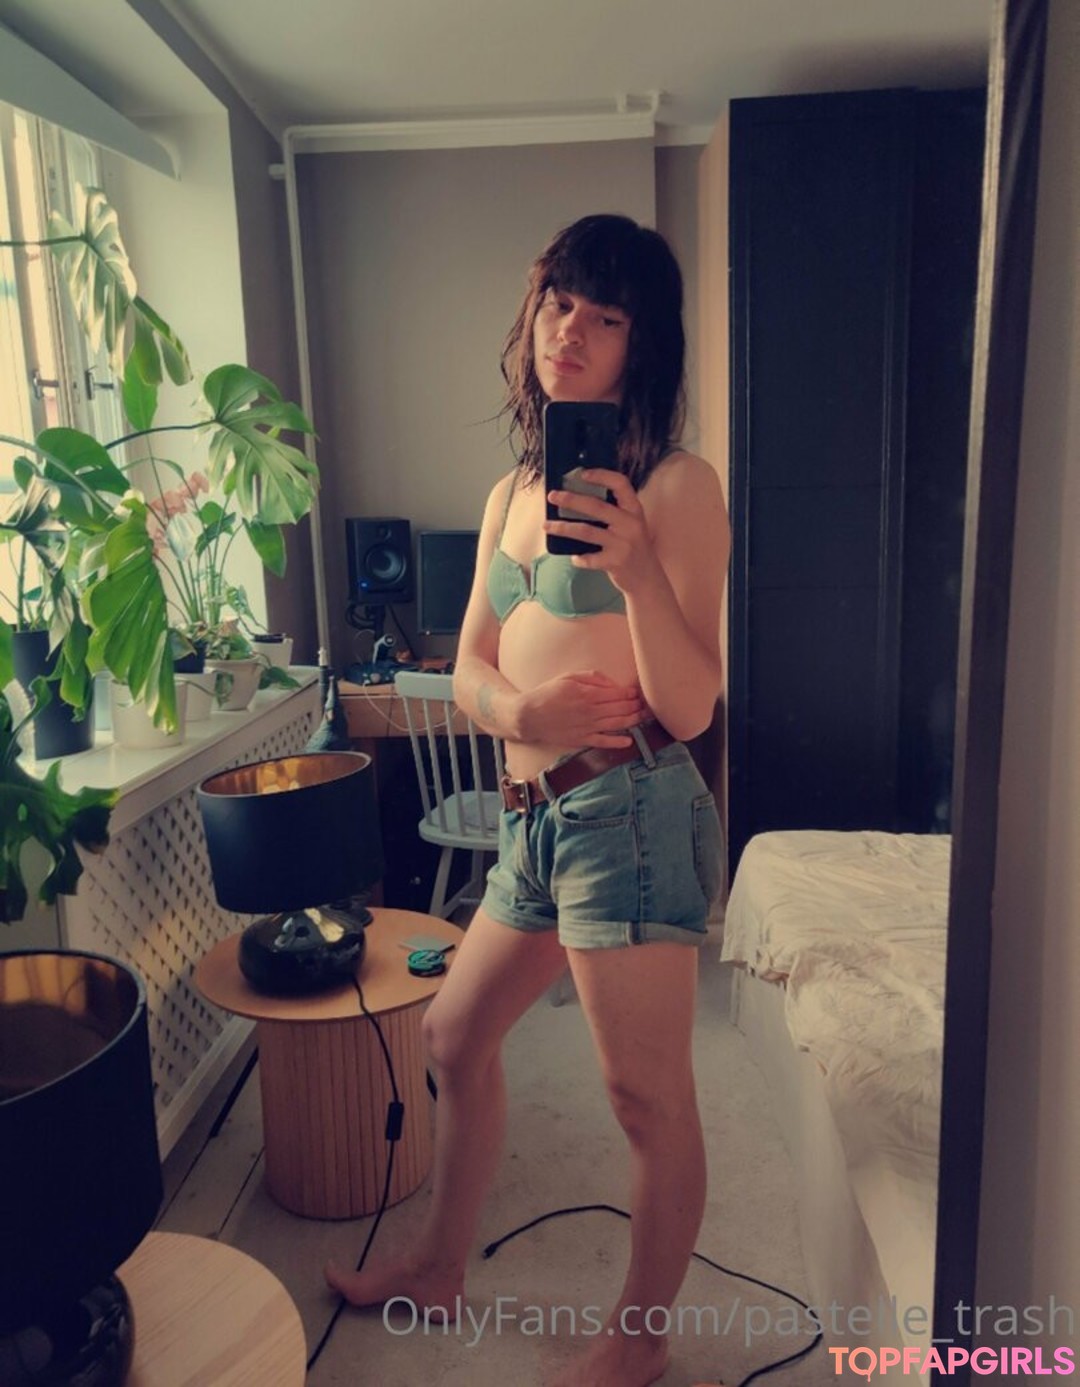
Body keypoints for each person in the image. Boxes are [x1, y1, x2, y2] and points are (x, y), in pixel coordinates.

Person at [326, 213, 730, 1387]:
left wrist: (637, 569)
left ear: (642, 345)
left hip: (628, 812)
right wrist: (522, 711)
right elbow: (466, 667)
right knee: (452, 1035)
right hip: (531, 818)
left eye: (607, 317)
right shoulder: (510, 490)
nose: (571, 331)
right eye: (560, 303)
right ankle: (439, 1265)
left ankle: (638, 1344)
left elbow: (692, 705)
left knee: (643, 1098)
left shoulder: (677, 486)